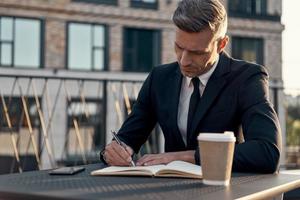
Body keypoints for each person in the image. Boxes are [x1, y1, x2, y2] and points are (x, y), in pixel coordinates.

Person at [101, 0, 282, 173]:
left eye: (197, 53)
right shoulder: (159, 78)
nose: (184, 61)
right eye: (179, 47)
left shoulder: (247, 78)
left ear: (221, 44)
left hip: (223, 190)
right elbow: (125, 140)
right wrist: (112, 152)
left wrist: (186, 157)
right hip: (168, 189)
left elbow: (266, 152)